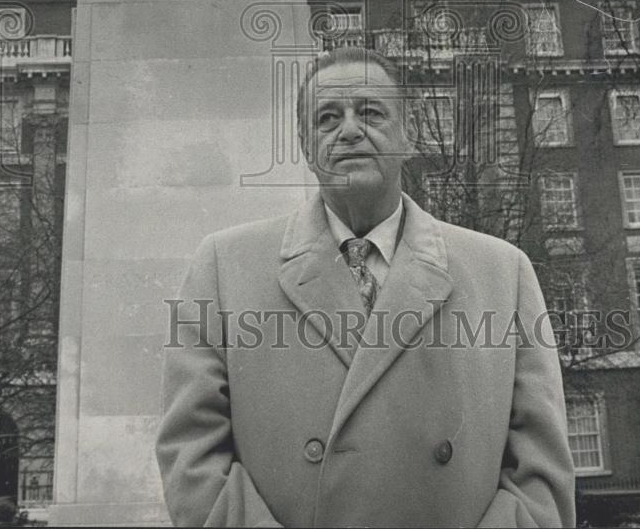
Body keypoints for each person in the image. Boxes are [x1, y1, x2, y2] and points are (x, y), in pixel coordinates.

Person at [156, 47, 576, 528]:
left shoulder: (503, 272)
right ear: (305, 146)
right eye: (328, 118)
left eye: (371, 112)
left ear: (408, 134)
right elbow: (191, 455)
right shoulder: (223, 266)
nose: (350, 130)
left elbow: (541, 473)